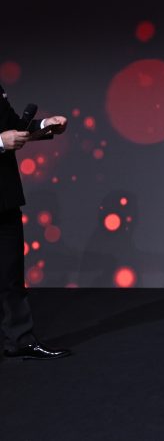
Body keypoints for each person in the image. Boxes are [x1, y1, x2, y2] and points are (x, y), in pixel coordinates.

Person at [1, 83, 71, 360]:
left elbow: (14, 127)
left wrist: (45, 125)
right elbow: (4, 138)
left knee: (10, 275)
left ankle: (20, 340)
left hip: (5, 196)